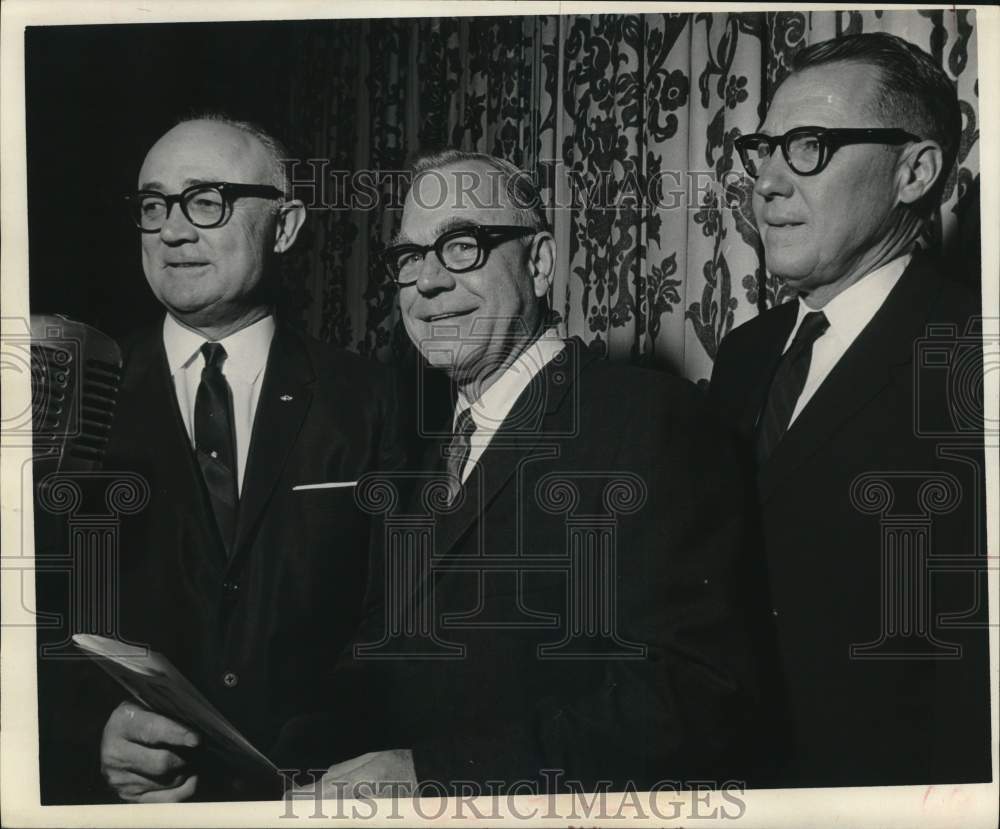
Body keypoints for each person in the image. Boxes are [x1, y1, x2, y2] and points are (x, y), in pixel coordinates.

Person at [275, 150, 767, 797]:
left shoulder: (647, 419)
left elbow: (693, 699)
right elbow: (382, 666)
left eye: (461, 247)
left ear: (538, 264)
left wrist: (435, 777)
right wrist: (259, 753)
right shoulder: (418, 447)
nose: (426, 282)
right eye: (409, 257)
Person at [42, 115, 406, 803]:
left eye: (206, 199)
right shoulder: (73, 392)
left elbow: (400, 620)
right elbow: (30, 613)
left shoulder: (371, 398)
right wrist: (90, 731)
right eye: (153, 206)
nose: (173, 230)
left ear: (287, 225)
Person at [711, 33, 991, 787]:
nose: (765, 183)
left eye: (808, 146)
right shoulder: (743, 353)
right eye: (763, 148)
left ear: (915, 170)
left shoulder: (974, 358)